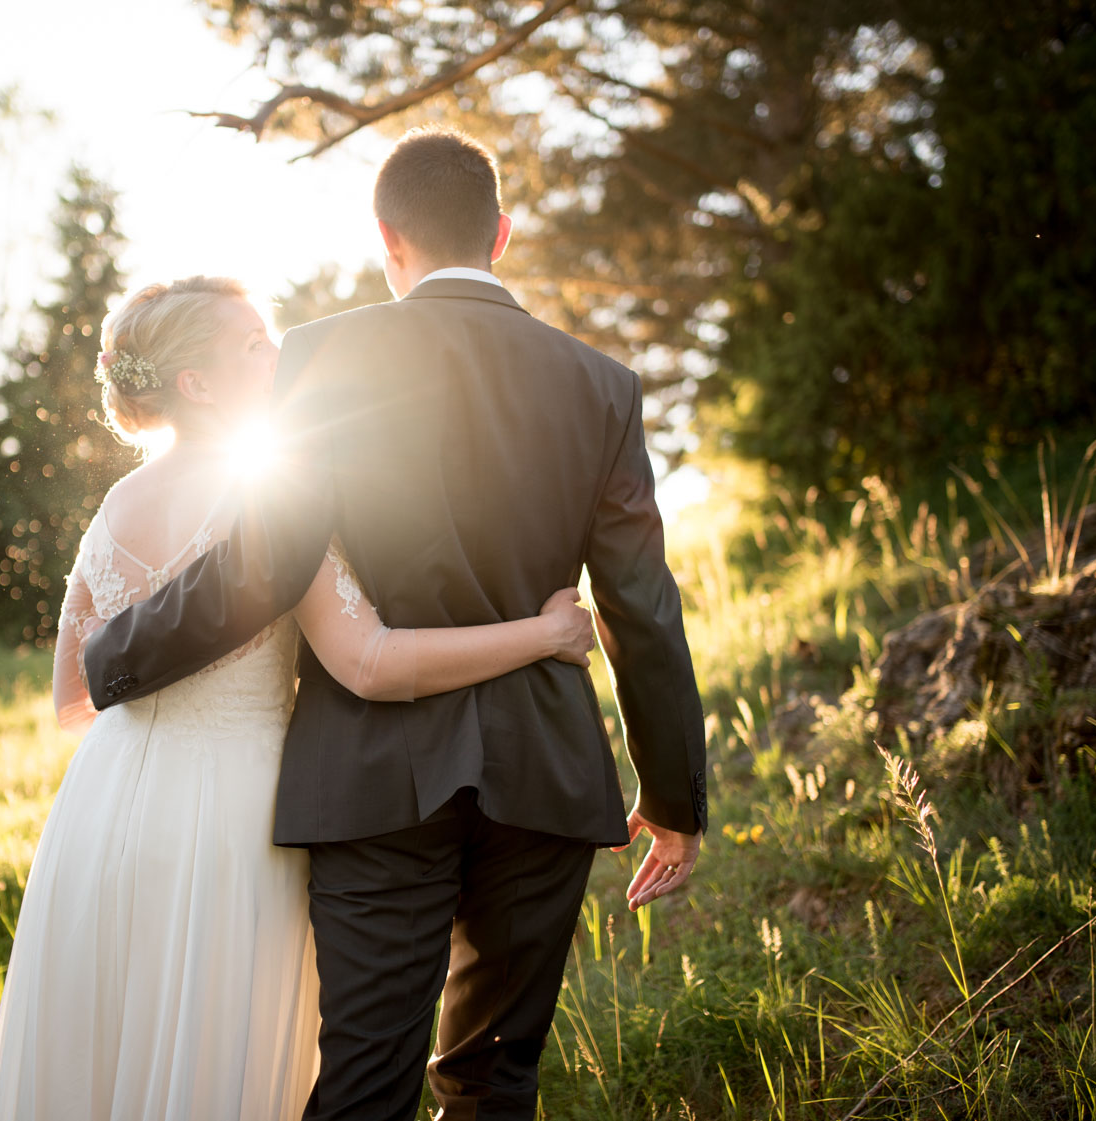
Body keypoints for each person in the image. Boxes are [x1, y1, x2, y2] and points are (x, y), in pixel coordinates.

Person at [82, 128, 708, 1119]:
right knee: (494, 1081)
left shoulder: (322, 354)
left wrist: (115, 653)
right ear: (501, 234)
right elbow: (640, 599)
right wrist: (673, 793)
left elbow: (266, 562)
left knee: (365, 1083)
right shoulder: (602, 385)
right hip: (543, 771)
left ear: (388, 240)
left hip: (373, 778)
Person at [0, 276, 598, 1121]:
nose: (281, 352)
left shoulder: (113, 508)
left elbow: (73, 697)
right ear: (196, 383)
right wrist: (544, 633)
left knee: (112, 1048)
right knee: (218, 1050)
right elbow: (369, 661)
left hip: (102, 810)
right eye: (255, 344)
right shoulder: (277, 501)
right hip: (233, 814)